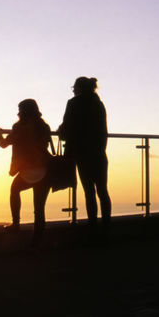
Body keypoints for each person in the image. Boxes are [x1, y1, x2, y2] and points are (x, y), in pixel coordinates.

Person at [0, 99, 54, 246]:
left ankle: (15, 224)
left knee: (14, 190)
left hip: (28, 171)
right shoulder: (43, 126)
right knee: (39, 209)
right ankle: (36, 245)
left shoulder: (19, 127)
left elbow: (3, 144)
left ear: (22, 111)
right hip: (44, 170)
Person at [57, 76, 112, 231]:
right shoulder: (99, 104)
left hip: (82, 154)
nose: (73, 90)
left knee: (89, 192)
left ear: (79, 88)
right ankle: (106, 228)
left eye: (74, 88)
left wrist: (61, 131)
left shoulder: (73, 103)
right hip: (99, 153)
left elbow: (67, 128)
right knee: (102, 190)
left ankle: (93, 228)